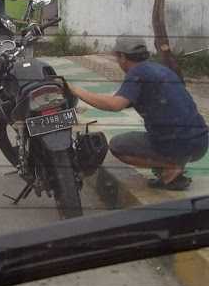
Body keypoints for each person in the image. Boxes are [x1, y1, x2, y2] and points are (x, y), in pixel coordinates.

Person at [69, 35, 208, 191]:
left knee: (118, 145)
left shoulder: (137, 73)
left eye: (117, 56)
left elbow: (115, 105)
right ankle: (172, 176)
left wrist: (78, 91)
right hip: (200, 142)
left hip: (178, 144)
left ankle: (172, 167)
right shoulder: (158, 68)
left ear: (122, 57)